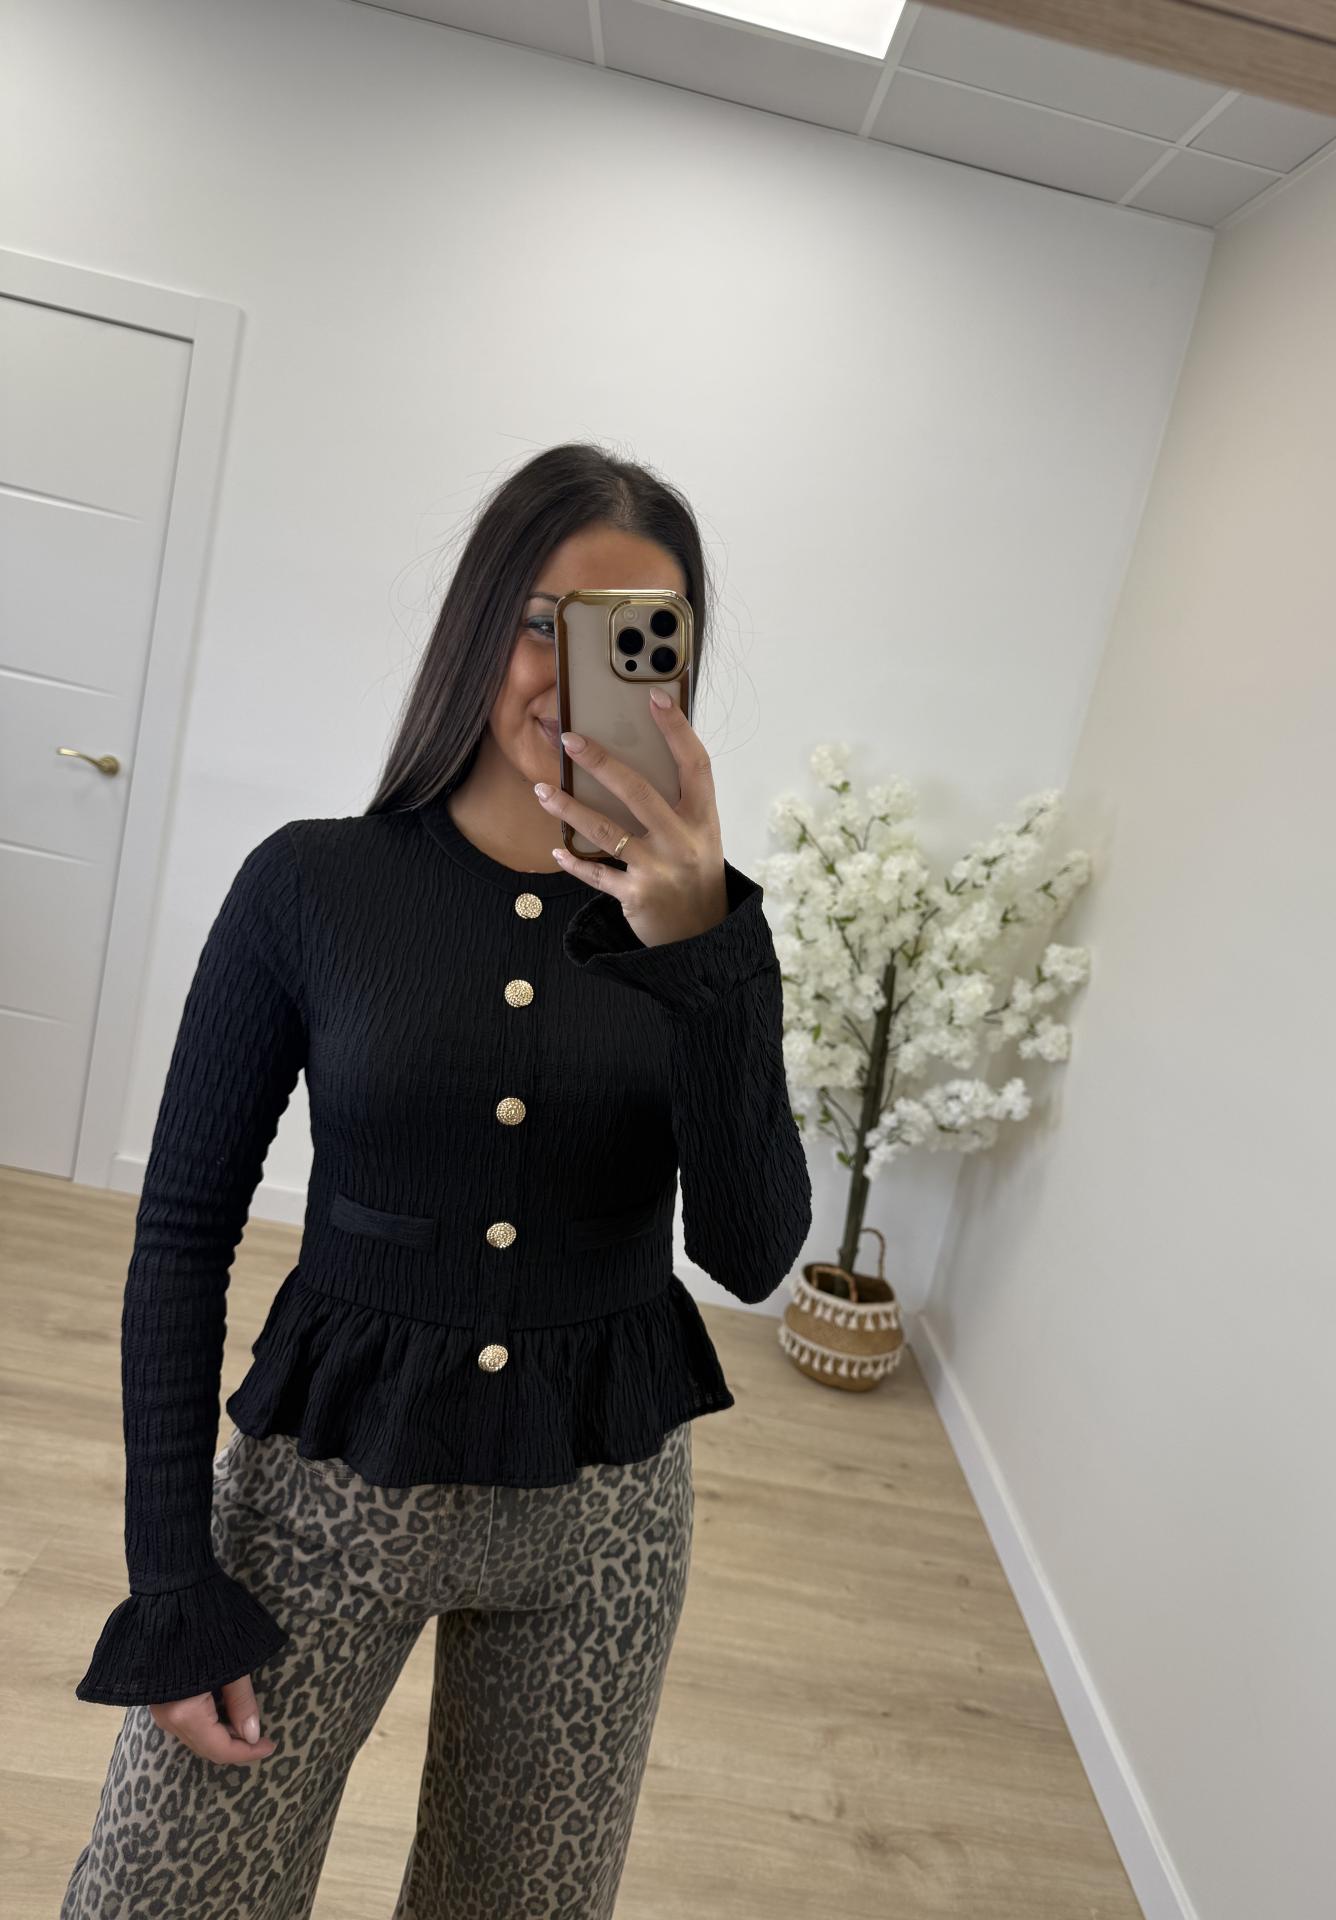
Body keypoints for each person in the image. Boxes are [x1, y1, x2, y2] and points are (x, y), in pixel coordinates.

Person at [59, 442, 814, 1919]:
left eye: (637, 639)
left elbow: (749, 1252)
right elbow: (183, 1233)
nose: (571, 674)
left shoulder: (711, 933)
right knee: (165, 1890)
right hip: (329, 1481)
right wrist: (169, 1577)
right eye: (542, 623)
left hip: (600, 1515)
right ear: (476, 626)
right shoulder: (311, 884)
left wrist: (707, 957)